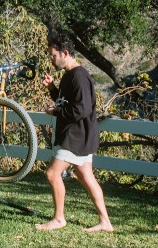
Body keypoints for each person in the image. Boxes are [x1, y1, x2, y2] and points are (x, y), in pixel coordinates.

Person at [36, 30, 113, 232]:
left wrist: (55, 111)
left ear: (65, 53)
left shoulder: (79, 77)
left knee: (52, 174)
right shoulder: (69, 76)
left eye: (54, 55)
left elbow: (81, 109)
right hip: (80, 135)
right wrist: (52, 88)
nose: (52, 60)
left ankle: (59, 219)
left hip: (75, 136)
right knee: (86, 176)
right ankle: (105, 222)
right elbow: (67, 103)